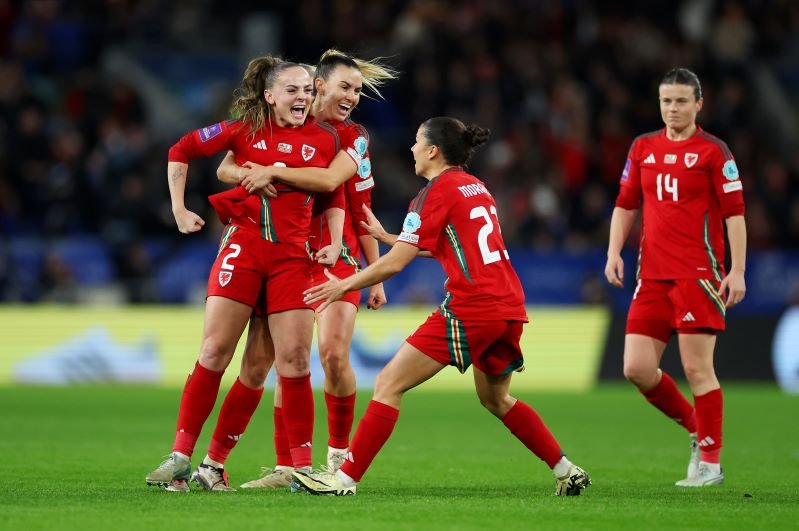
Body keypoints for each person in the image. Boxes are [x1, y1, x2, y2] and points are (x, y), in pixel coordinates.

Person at [291, 116, 592, 497]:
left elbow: (396, 263)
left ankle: (343, 480)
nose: (412, 149)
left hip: (473, 305)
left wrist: (344, 286)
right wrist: (392, 236)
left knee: (387, 384)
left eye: (418, 142)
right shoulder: (476, 187)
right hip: (509, 307)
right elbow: (462, 245)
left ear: (433, 151)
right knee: (496, 399)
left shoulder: (435, 192)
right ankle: (567, 470)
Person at [145, 56, 347, 492]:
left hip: (294, 258)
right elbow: (181, 149)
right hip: (244, 248)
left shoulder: (327, 139)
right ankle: (181, 457)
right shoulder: (244, 129)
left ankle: (300, 468)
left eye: (307, 90)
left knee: (290, 361)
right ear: (270, 95)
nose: (302, 98)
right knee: (215, 350)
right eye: (292, 90)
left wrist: (334, 239)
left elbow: (334, 193)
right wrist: (178, 208)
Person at [216, 49, 397, 489]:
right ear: (319, 87)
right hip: (283, 253)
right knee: (275, 362)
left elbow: (349, 196)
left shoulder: (354, 137)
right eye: (346, 88)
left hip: (340, 254)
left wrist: (376, 273)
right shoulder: (279, 123)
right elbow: (226, 167)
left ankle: (337, 459)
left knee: (333, 354)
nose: (353, 97)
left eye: (357, 90)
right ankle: (282, 467)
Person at [603, 68, 747, 487]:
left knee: (698, 370)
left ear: (699, 104)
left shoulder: (714, 152)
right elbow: (625, 204)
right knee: (636, 368)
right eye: (667, 100)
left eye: (682, 101)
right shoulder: (642, 147)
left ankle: (711, 463)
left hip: (698, 276)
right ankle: (694, 427)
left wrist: (736, 270)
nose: (673, 108)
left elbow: (736, 214)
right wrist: (613, 251)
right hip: (651, 276)